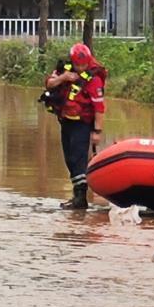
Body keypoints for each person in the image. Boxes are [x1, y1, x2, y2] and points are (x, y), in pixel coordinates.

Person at [42, 43, 106, 210]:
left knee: (78, 160)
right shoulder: (65, 69)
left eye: (83, 65)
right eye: (77, 64)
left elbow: (99, 108)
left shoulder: (94, 78)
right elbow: (49, 84)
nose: (80, 68)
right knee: (69, 159)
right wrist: (63, 78)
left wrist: (97, 131)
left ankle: (80, 198)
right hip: (66, 121)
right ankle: (77, 195)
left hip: (82, 124)